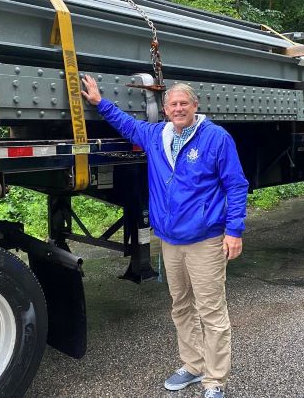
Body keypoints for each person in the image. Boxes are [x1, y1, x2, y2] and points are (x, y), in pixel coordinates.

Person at [81, 75, 249, 398]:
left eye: (184, 103)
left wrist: (234, 231)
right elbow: (127, 125)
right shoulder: (156, 134)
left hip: (205, 239)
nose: (178, 108)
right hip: (170, 240)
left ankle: (215, 381)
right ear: (165, 109)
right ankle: (193, 365)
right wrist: (100, 103)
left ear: (195, 106)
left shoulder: (216, 138)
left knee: (211, 311)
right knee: (181, 305)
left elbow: (236, 185)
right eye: (173, 104)